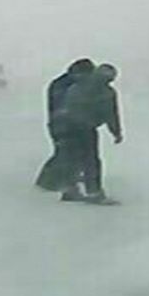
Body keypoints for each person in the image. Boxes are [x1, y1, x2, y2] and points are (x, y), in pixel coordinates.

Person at [53, 63, 123, 204]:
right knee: (91, 161)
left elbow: (66, 105)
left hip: (68, 126)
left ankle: (70, 189)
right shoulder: (107, 92)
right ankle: (94, 192)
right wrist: (116, 132)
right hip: (86, 128)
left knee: (73, 159)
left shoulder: (77, 86)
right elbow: (111, 114)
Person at [35, 58, 96, 191]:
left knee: (64, 153)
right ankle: (52, 182)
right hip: (63, 124)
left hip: (59, 123)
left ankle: (50, 181)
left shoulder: (61, 82)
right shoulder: (67, 85)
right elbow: (64, 105)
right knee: (67, 154)